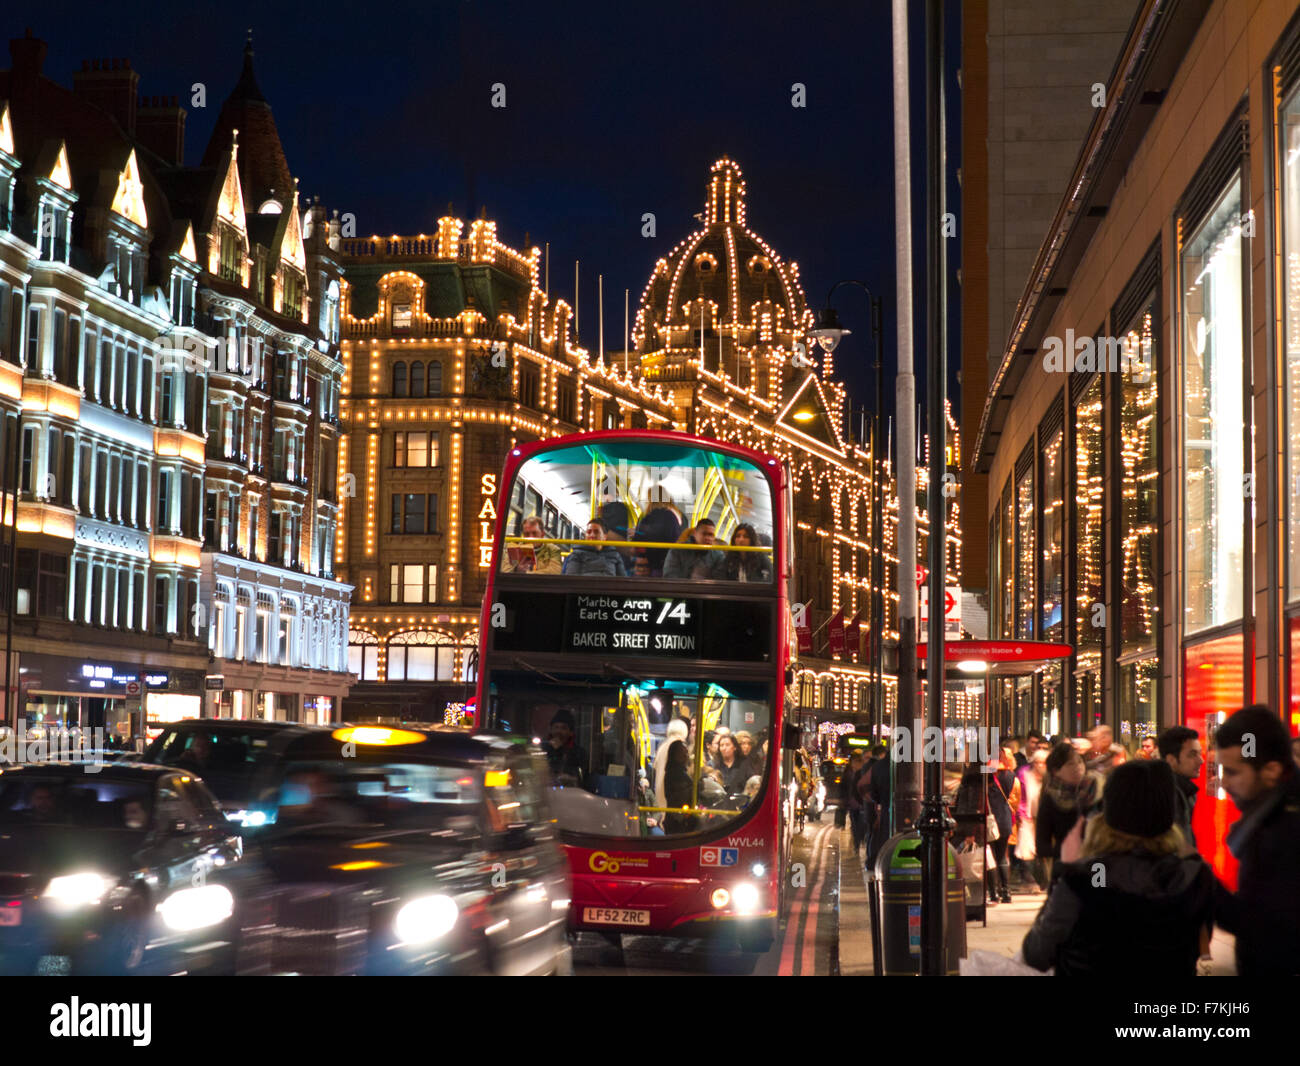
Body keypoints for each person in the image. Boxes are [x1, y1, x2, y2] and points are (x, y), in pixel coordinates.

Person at [1021, 760, 1215, 976]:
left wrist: (1067, 869)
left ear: (1110, 811)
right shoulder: (1193, 876)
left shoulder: (1093, 875)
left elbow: (1036, 954)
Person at [1211, 705, 1300, 976]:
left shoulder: (1283, 833)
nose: (1224, 783)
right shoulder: (1271, 816)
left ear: (1271, 770)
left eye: (1233, 772)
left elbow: (1264, 926)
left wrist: (1199, 880)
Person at [1036, 742, 1103, 884]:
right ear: (1056, 771)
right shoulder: (1051, 799)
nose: (1078, 767)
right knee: (1068, 903)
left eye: (1080, 762)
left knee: (1099, 902)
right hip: (1066, 868)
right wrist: (1066, 851)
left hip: (1097, 864)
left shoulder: (1097, 793)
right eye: (1070, 764)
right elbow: (1042, 845)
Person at [1157, 724, 1202, 850]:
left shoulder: (1185, 790)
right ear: (1171, 760)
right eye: (1192, 754)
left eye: (1200, 753)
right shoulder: (1168, 794)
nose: (1201, 760)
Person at [1014, 749, 1049, 892]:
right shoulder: (1024, 774)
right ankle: (1030, 879)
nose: (1040, 765)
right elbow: (1020, 795)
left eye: (1043, 763)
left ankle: (1043, 880)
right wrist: (1021, 814)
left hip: (1044, 818)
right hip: (1027, 816)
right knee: (1026, 848)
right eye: (1037, 762)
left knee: (1041, 849)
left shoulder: (1049, 776)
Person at [561, 519, 628, 577]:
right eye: (589, 532)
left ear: (605, 536)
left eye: (596, 532)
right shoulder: (577, 554)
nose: (592, 535)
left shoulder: (614, 555)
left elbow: (623, 580)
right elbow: (572, 578)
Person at [661, 740, 699, 835]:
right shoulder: (674, 774)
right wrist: (695, 788)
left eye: (686, 752)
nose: (685, 755)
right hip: (678, 819)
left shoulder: (682, 772)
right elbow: (680, 795)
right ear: (674, 754)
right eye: (681, 752)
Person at [544, 709, 587, 788]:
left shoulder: (579, 752)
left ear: (570, 732)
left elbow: (581, 777)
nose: (558, 731)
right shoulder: (543, 749)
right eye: (556, 727)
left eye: (563, 728)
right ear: (551, 730)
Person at [653, 718, 689, 810]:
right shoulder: (679, 746)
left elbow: (655, 767)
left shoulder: (662, 746)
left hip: (660, 791)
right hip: (672, 796)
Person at [841, 750, 867, 854]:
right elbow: (843, 786)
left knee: (861, 824)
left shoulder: (862, 772)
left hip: (859, 803)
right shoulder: (848, 771)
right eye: (855, 761)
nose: (856, 763)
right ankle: (857, 843)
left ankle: (859, 841)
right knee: (855, 824)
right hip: (852, 804)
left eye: (858, 761)